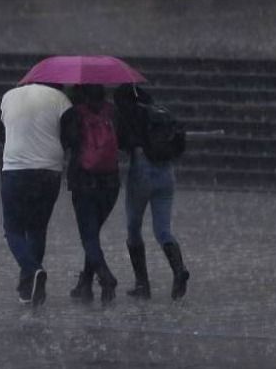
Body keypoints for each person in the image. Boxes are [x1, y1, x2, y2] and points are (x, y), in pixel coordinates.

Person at [0, 82, 75, 306]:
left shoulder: (8, 96)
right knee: (37, 228)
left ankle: (33, 270)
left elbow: (1, 133)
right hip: (49, 170)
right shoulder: (61, 100)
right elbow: (71, 137)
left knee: (12, 229)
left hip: (15, 169)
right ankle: (27, 288)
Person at [114, 84, 191, 300]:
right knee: (163, 230)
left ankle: (142, 284)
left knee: (133, 228)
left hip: (142, 172)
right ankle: (178, 270)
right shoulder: (160, 112)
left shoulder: (131, 115)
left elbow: (121, 143)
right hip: (167, 173)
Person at [62, 84, 121, 303]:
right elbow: (120, 142)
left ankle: (105, 276)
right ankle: (85, 283)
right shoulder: (112, 112)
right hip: (111, 182)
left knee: (88, 236)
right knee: (93, 233)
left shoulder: (74, 114)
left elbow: (68, 142)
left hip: (84, 181)